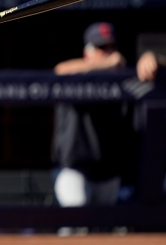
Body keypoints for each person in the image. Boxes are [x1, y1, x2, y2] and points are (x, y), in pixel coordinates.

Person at [51, 22, 136, 235]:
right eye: (101, 48)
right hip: (74, 168)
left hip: (108, 170)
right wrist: (105, 65)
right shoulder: (77, 73)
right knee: (76, 220)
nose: (108, 53)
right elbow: (60, 71)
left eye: (111, 47)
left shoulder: (123, 78)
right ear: (87, 52)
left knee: (106, 230)